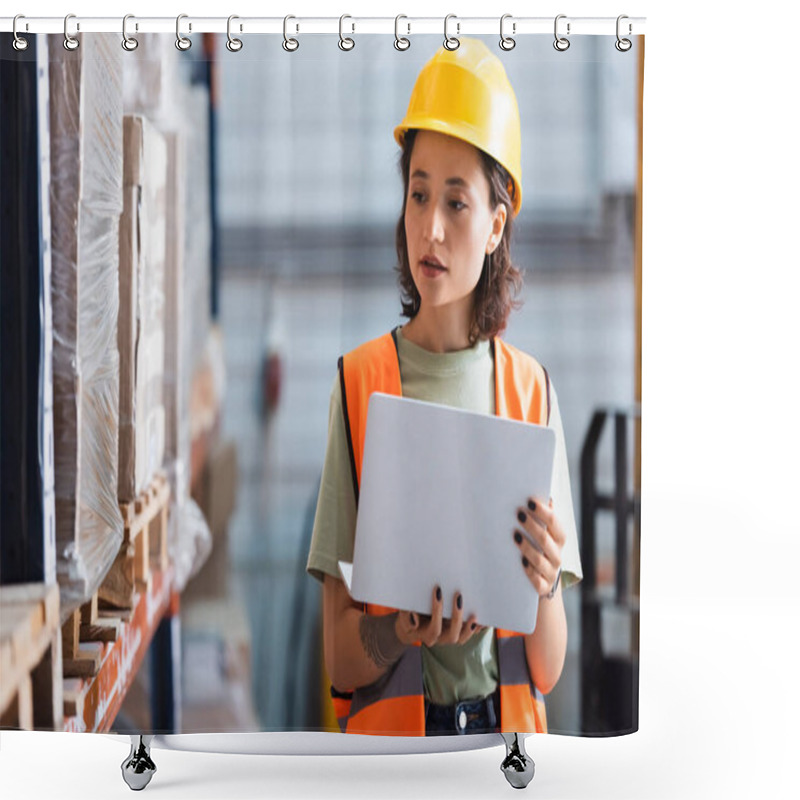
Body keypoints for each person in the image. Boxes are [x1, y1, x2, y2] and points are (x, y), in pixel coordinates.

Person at [306, 38, 582, 737]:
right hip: (394, 769)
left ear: (495, 226)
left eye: (456, 204)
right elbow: (340, 661)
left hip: (502, 752)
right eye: (418, 193)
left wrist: (546, 584)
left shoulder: (530, 391)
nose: (429, 227)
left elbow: (546, 670)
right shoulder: (360, 384)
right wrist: (398, 631)